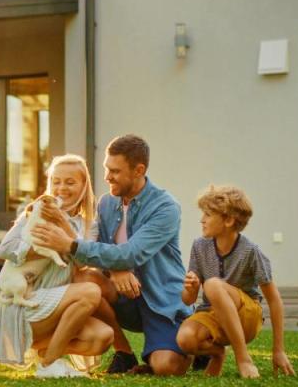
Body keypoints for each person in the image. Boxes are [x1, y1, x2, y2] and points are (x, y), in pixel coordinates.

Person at [32, 134, 192, 375]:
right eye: (107, 169)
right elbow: (100, 251)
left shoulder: (165, 207)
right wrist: (117, 270)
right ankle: (124, 353)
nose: (107, 177)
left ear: (139, 170)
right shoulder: (107, 203)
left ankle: (193, 346)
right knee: (87, 279)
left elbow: (129, 253)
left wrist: (71, 245)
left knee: (165, 366)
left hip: (160, 300)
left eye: (115, 171)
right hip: (125, 297)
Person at [0, 154, 112, 378]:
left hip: (56, 306)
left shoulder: (89, 225)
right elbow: (4, 248)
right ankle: (50, 365)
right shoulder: (36, 212)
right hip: (25, 303)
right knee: (90, 292)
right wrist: (43, 247)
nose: (61, 188)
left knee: (103, 336)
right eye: (56, 181)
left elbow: (83, 261)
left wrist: (63, 224)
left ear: (84, 186)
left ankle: (47, 356)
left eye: (70, 182)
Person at [175, 185, 296, 378]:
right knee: (185, 339)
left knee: (213, 284)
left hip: (247, 316)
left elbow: (274, 300)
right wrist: (191, 288)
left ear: (229, 220)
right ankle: (218, 354)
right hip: (212, 313)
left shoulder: (250, 251)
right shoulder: (199, 246)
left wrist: (278, 350)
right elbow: (188, 301)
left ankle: (243, 359)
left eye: (207, 214)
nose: (202, 219)